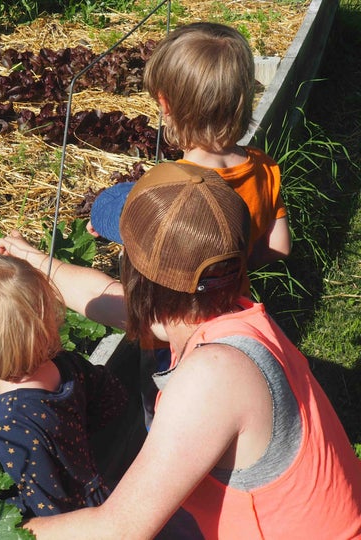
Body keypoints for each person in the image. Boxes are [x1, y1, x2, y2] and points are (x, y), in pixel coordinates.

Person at [0, 161, 361, 538]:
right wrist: (34, 260)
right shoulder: (233, 316)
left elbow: (118, 530)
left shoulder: (212, 375)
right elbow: (99, 296)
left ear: (134, 273)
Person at [89, 22, 294, 427]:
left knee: (170, 411)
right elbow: (280, 246)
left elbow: (138, 223)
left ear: (165, 105)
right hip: (233, 315)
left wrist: (118, 221)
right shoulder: (264, 167)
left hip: (175, 328)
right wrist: (233, 263)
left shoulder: (175, 186)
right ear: (244, 98)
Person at [0, 254, 128, 517]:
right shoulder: (66, 366)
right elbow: (113, 398)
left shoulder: (9, 421)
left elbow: (47, 507)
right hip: (94, 489)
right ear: (47, 321)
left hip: (75, 520)